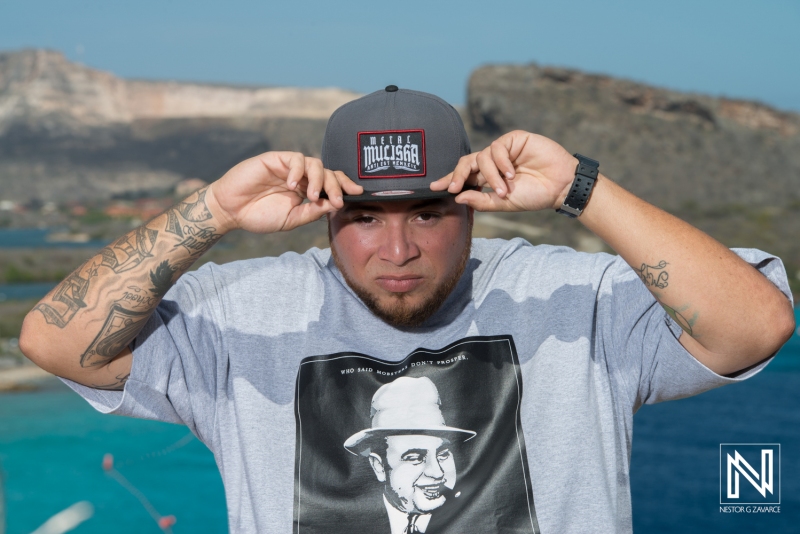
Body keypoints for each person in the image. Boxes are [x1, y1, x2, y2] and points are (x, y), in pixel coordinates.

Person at [20, 86, 794, 533]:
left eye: (426, 213)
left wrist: (578, 190)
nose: (397, 251)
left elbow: (755, 326)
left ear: (473, 206)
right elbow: (59, 343)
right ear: (326, 214)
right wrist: (213, 210)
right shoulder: (243, 314)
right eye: (363, 217)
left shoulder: (569, 299)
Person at [343, 376, 476, 534]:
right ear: (379, 466)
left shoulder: (479, 515)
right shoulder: (341, 523)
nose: (437, 472)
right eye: (415, 458)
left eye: (443, 454)